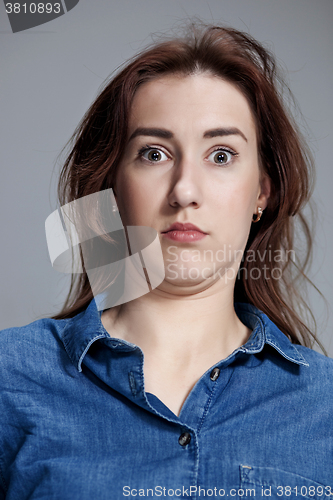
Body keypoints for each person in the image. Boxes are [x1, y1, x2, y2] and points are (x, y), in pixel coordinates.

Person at [0, 22, 332, 500]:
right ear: (113, 189)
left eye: (221, 155)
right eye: (154, 154)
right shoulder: (13, 377)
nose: (184, 192)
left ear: (263, 190)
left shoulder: (326, 407)